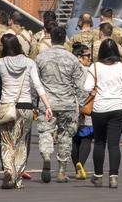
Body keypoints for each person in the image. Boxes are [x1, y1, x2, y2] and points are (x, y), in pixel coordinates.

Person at [0, 34, 53, 189]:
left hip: (7, 107)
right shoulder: (29, 63)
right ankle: (18, 178)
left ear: (5, 47)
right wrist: (47, 106)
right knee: (21, 143)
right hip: (25, 107)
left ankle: (8, 170)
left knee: (6, 142)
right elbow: (38, 85)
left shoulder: (1, 63)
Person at [34, 26, 86, 183]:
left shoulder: (41, 58)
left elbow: (34, 82)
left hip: (47, 103)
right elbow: (80, 85)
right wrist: (80, 105)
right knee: (65, 136)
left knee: (45, 132)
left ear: (51, 39)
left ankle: (46, 155)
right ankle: (62, 171)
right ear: (65, 40)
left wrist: (33, 101)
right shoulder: (72, 59)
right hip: (67, 103)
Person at [85, 38, 122, 189]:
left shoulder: (94, 67)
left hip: (99, 108)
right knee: (114, 144)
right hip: (118, 108)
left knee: (99, 143)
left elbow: (86, 87)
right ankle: (113, 177)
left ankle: (98, 176)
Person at [70, 42, 95, 181]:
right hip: (86, 107)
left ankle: (76, 166)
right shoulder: (87, 71)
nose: (90, 58)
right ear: (79, 57)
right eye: (87, 56)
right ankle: (81, 164)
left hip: (71, 108)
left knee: (74, 138)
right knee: (86, 138)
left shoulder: (69, 70)